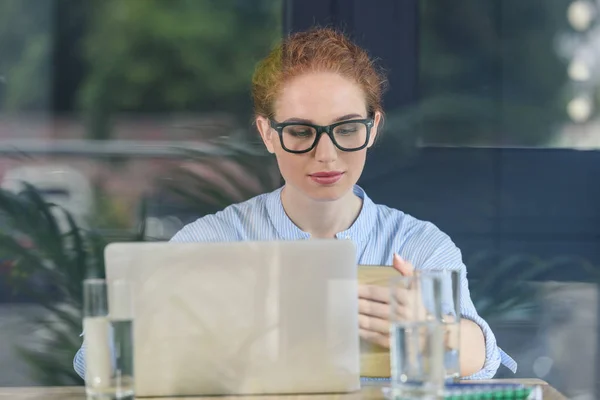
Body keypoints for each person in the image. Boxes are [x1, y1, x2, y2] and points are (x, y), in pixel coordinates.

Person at [74, 27, 516, 380]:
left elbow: (484, 358)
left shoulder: (418, 246)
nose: (326, 155)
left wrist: (434, 334)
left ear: (374, 126)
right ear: (267, 134)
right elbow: (93, 362)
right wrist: (150, 323)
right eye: (301, 132)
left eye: (347, 129)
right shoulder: (211, 240)